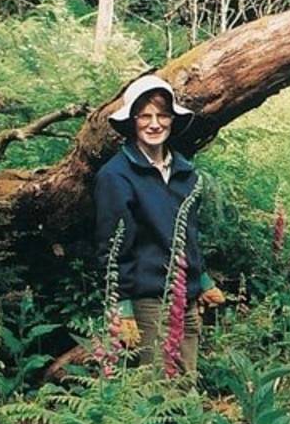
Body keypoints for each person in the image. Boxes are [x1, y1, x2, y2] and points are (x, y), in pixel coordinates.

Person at [94, 74, 225, 377]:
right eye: (145, 116)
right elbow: (112, 248)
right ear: (132, 121)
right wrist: (121, 307)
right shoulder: (116, 176)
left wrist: (202, 280)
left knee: (186, 381)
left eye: (162, 115)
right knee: (155, 388)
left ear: (172, 119)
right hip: (148, 299)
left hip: (186, 297)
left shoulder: (185, 173)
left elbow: (186, 234)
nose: (155, 124)